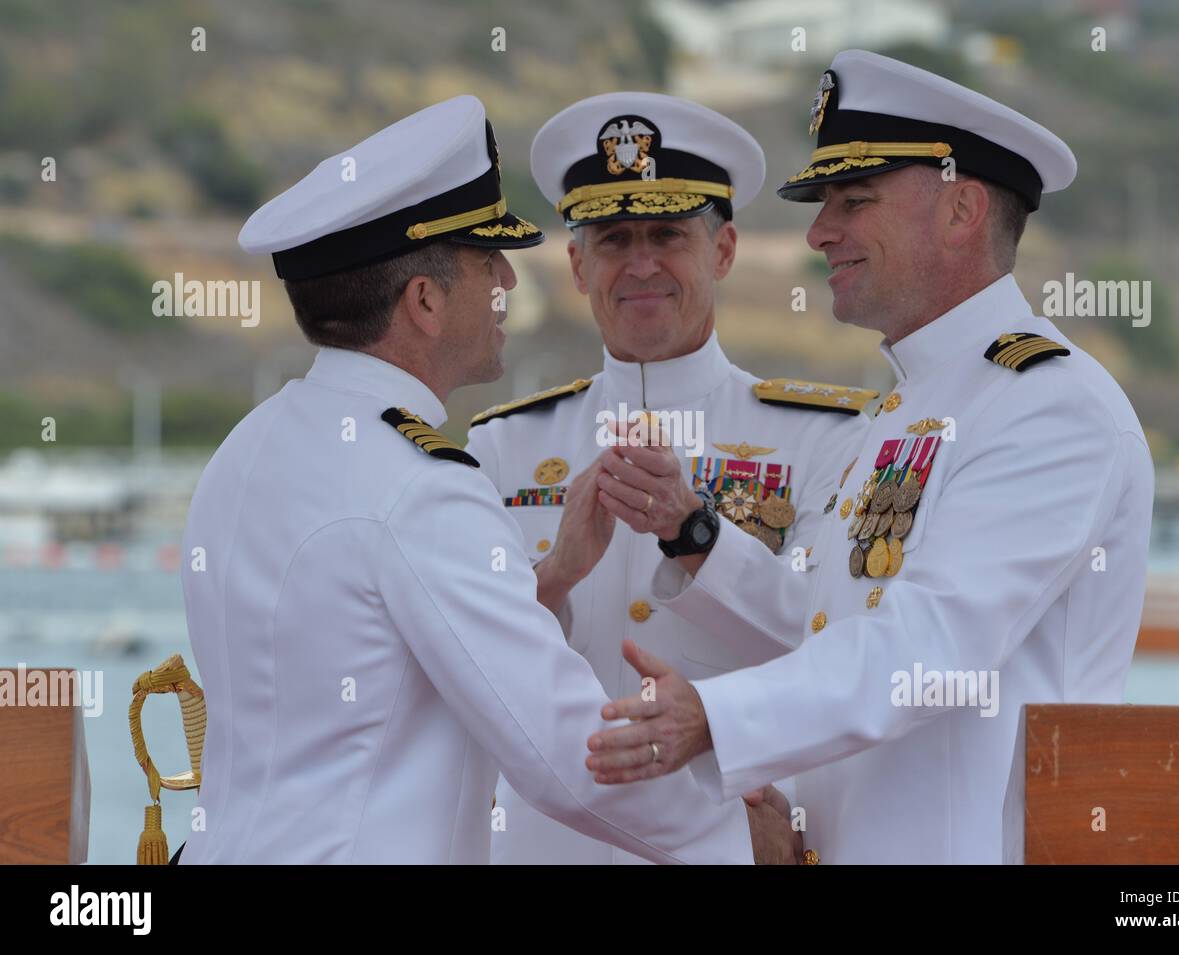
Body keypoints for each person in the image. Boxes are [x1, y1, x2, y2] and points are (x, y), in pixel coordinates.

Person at [177, 95, 785, 864]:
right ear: (425, 301)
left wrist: (555, 574)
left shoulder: (249, 444)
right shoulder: (420, 484)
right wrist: (739, 840)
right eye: (485, 260)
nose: (505, 277)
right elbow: (565, 753)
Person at [583, 50, 1156, 865]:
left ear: (961, 209)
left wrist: (716, 716)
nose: (820, 233)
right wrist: (696, 535)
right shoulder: (898, 409)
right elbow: (828, 627)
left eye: (854, 201)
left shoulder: (1048, 405)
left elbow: (932, 646)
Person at [466, 91, 871, 865]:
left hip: (740, 839)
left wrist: (700, 536)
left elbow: (841, 648)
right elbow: (471, 659)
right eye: (614, 238)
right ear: (578, 265)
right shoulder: (504, 443)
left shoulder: (825, 438)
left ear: (722, 252)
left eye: (667, 234)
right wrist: (553, 574)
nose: (642, 263)